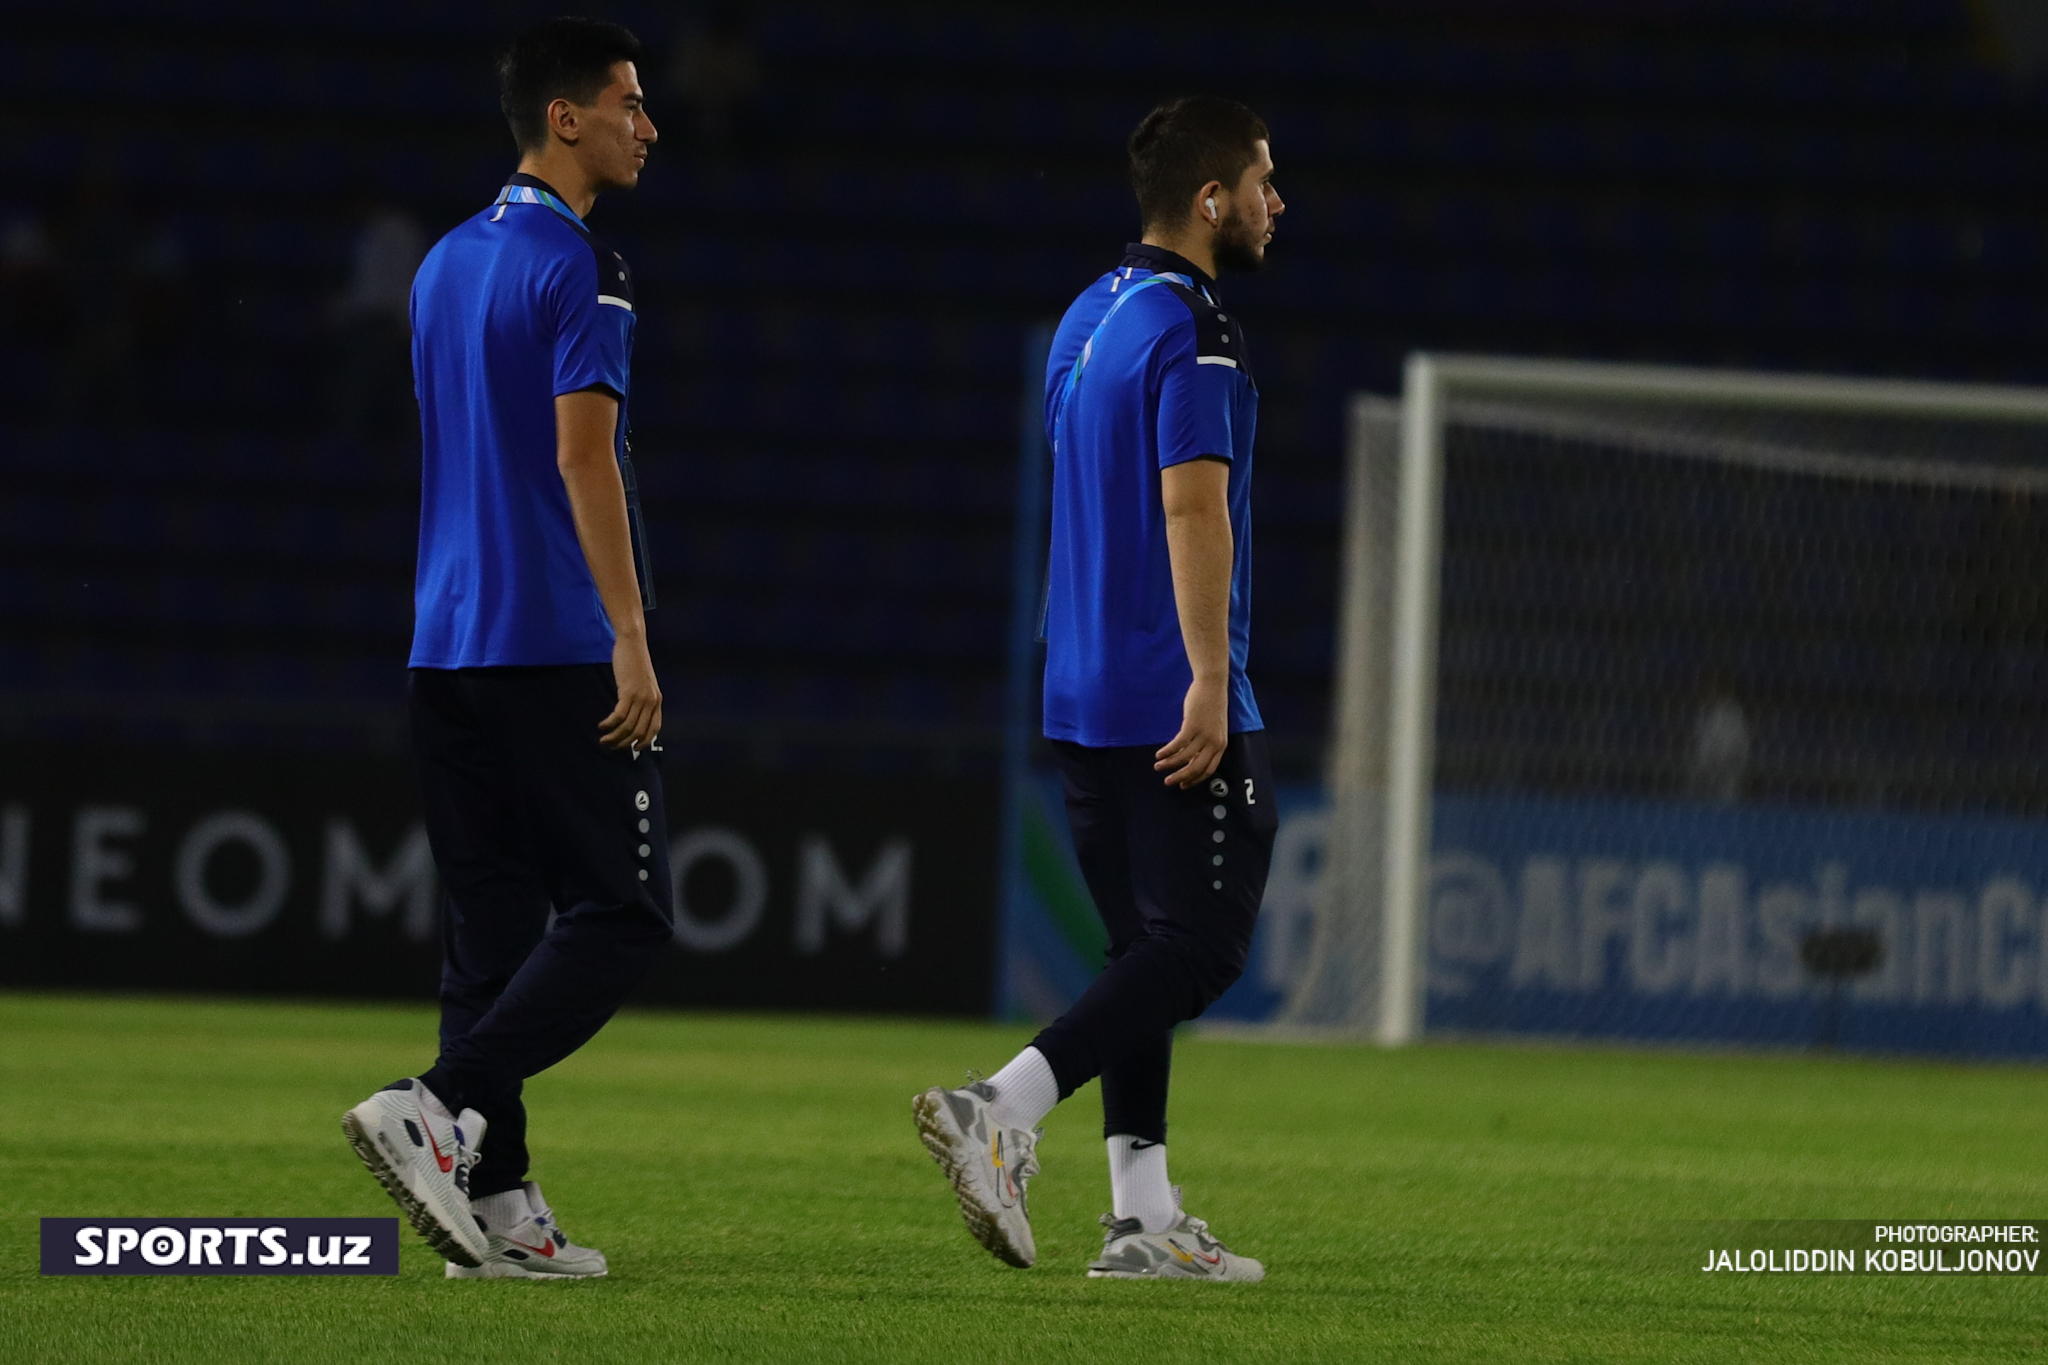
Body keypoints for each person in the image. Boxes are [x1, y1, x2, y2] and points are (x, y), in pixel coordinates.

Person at [915, 96, 1284, 1281]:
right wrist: (1209, 678)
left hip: (1073, 683)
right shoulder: (1195, 325)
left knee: (1141, 954)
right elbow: (1190, 504)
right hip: (1160, 683)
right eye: (1264, 180)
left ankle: (1142, 1216)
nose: (1280, 202)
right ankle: (1001, 1108)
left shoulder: (1087, 313)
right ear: (1211, 199)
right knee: (1204, 947)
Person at [342, 16, 669, 1281]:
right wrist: (630, 638)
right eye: (630, 103)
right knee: (622, 912)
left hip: (445, 640)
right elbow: (580, 459)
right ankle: (438, 1102)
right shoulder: (583, 268)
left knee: (489, 930)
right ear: (567, 118)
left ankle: (503, 1205)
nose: (650, 124)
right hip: (550, 637)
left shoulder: (440, 265)